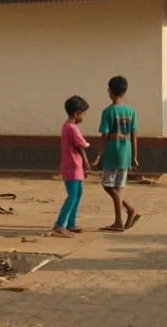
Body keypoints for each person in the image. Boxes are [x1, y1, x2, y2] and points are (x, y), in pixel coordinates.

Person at [91, 76, 140, 232]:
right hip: (126, 152)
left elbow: (104, 135)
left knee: (107, 185)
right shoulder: (130, 111)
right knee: (118, 187)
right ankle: (123, 215)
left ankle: (123, 216)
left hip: (112, 152)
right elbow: (134, 135)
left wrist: (99, 154)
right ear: (125, 92)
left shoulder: (107, 112)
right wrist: (134, 157)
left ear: (109, 91)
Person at [53, 95, 91, 238]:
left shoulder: (66, 126)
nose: (84, 116)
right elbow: (81, 147)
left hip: (72, 166)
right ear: (77, 113)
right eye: (84, 113)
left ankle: (71, 223)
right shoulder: (73, 128)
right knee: (72, 196)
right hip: (73, 167)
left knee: (77, 194)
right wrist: (87, 164)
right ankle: (60, 224)